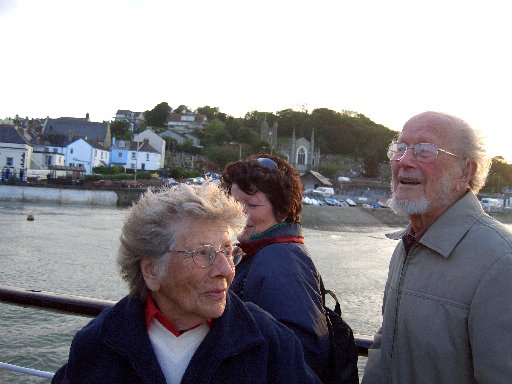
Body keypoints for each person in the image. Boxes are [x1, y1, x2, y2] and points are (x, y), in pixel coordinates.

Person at [52, 183, 321, 384]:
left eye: (229, 251)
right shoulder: (97, 345)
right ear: (151, 270)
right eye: (203, 253)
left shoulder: (271, 345)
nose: (226, 270)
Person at [362, 111, 512, 384]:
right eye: (401, 148)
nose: (404, 160)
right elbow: (386, 344)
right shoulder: (408, 244)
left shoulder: (500, 262)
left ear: (466, 171)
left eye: (424, 150)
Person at [221, 154, 330, 379]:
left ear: (282, 210)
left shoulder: (281, 261)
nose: (239, 215)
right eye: (233, 204)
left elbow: (302, 357)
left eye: (251, 205)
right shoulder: (260, 252)